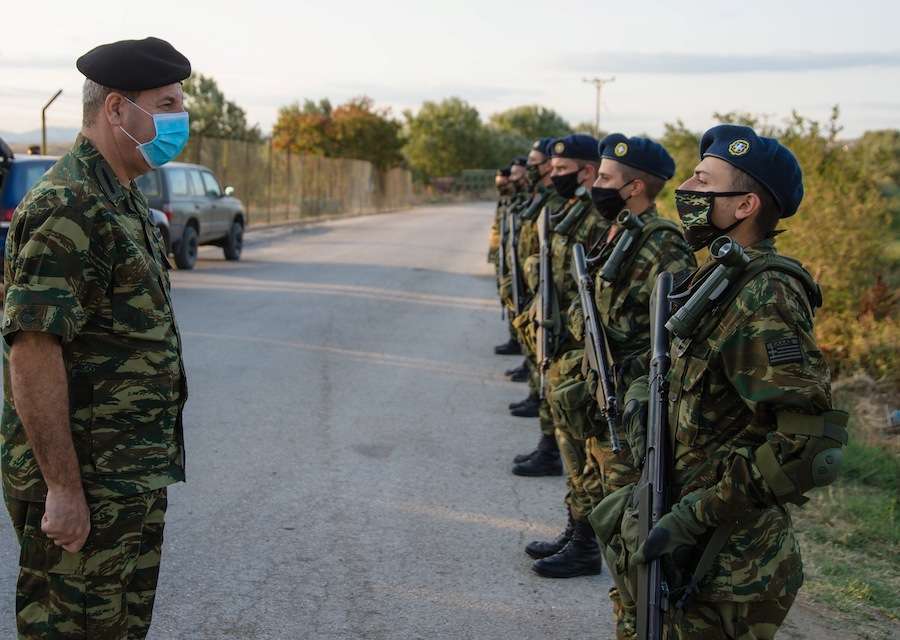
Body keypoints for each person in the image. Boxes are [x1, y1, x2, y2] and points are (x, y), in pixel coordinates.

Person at [617, 124, 847, 639]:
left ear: (743, 206)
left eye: (703, 182)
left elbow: (806, 443)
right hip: (678, 538)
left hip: (726, 567)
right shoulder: (716, 280)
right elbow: (666, 379)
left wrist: (695, 514)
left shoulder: (765, 294)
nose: (688, 193)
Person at [2, 36, 192, 639]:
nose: (178, 120)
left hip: (127, 475)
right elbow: (33, 352)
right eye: (165, 104)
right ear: (116, 109)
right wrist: (62, 487)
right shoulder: (70, 205)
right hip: (87, 483)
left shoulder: (122, 198)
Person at [530, 135, 696, 582]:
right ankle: (579, 535)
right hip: (596, 377)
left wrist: (630, 377)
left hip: (625, 390)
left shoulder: (664, 247)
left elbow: (674, 336)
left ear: (635, 187)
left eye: (605, 178)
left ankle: (603, 559)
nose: (595, 184)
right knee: (586, 465)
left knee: (617, 485)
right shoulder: (620, 233)